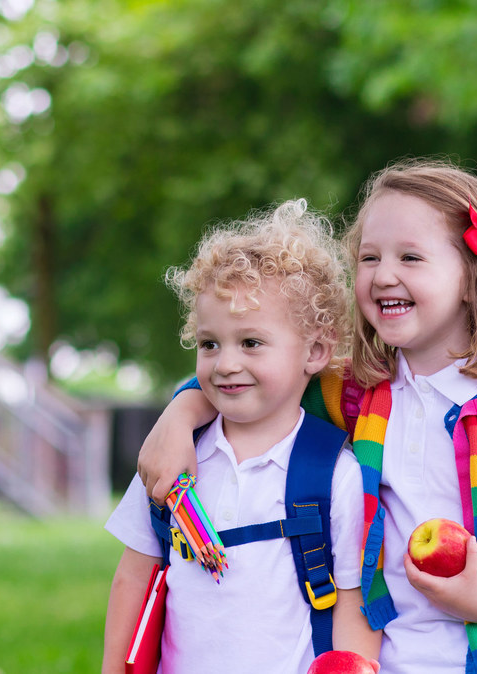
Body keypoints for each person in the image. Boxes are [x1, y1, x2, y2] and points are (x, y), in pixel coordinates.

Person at [137, 159, 477, 673]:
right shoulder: (355, 395)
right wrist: (178, 417)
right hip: (386, 657)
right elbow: (254, 379)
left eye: (410, 257)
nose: (383, 275)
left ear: (472, 279)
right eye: (369, 257)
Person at [101, 199, 381, 674]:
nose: (226, 363)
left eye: (250, 342)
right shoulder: (174, 458)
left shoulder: (335, 473)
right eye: (210, 343)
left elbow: (354, 601)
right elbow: (133, 577)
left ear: (315, 350)